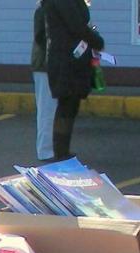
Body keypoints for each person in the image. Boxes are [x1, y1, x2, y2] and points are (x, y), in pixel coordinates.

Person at [43, 0, 104, 161]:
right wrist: (96, 40)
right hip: (66, 62)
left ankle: (63, 150)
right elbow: (76, 25)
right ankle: (60, 152)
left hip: (71, 61)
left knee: (70, 106)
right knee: (66, 106)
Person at [32, 0, 57, 162]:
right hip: (44, 65)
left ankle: (51, 148)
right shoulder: (43, 10)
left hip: (49, 65)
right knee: (46, 110)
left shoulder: (47, 8)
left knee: (52, 109)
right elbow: (41, 37)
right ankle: (45, 150)